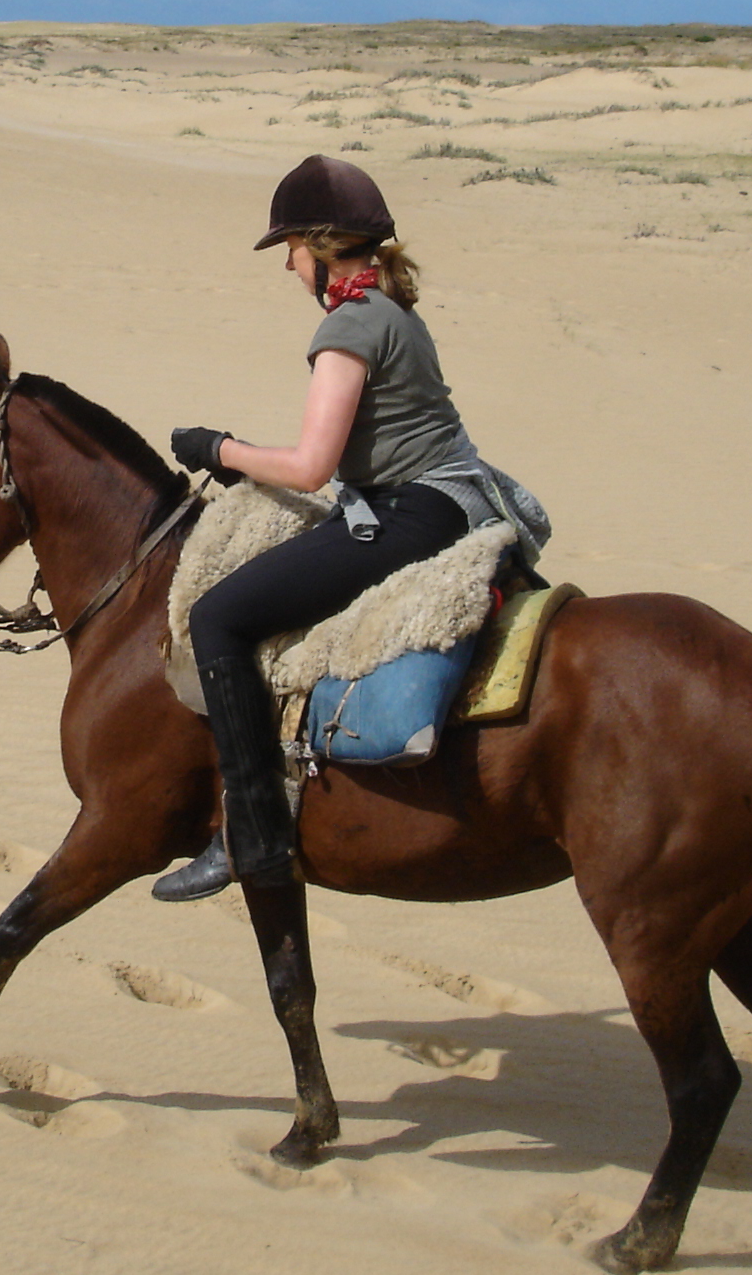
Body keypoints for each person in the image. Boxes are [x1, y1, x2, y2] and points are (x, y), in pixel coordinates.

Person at [157, 154, 533, 903]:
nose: (288, 266)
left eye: (291, 249)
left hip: (409, 511)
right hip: (453, 498)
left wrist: (217, 449)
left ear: (321, 245)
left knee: (219, 615)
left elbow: (310, 468)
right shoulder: (394, 310)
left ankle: (250, 832)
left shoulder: (350, 328)